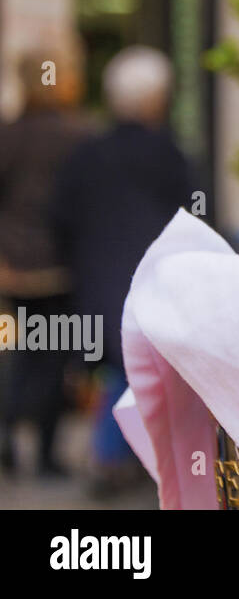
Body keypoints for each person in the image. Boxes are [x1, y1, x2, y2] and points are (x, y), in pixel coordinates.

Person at [52, 45, 193, 496]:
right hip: (152, 278)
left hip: (96, 279)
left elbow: (60, 218)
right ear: (158, 100)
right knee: (136, 366)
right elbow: (193, 217)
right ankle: (123, 455)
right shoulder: (168, 153)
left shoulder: (85, 154)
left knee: (117, 364)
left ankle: (117, 455)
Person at [0, 46, 95, 476]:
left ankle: (8, 442)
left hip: (15, 269)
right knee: (56, 353)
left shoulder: (10, 135)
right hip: (61, 268)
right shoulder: (79, 137)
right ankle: (46, 453)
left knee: (20, 353)